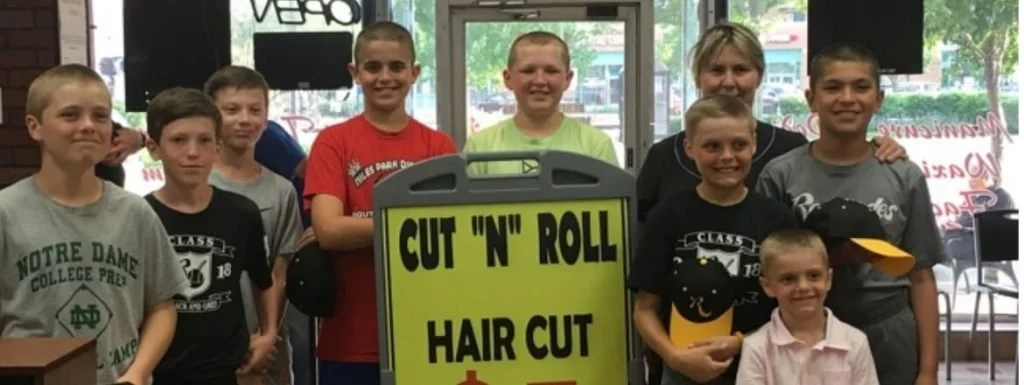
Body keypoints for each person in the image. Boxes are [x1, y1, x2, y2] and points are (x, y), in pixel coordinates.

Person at [756, 43, 946, 385]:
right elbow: (766, 271)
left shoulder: (904, 176)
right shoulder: (780, 175)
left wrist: (928, 370)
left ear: (879, 98)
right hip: (804, 332)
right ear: (811, 98)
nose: (847, 98)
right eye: (832, 87)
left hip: (887, 332)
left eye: (861, 87)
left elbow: (921, 276)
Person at [0, 64, 188, 385]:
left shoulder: (135, 213)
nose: (88, 126)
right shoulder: (6, 212)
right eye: (70, 115)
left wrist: (138, 373)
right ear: (34, 127)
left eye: (100, 117)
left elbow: (162, 305)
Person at [304, 21, 457, 385]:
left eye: (396, 67)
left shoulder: (439, 147)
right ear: (355, 73)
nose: (385, 77)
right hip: (349, 338)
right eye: (373, 67)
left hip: (426, 336)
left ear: (414, 72)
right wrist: (410, 224)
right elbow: (328, 230)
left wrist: (358, 226)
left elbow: (448, 233)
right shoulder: (332, 142)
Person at [636, 22, 906, 223]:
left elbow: (840, 165)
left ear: (760, 76)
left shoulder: (790, 148)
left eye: (741, 70)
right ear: (698, 78)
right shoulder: (664, 157)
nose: (729, 82)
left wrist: (876, 149)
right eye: (716, 70)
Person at [628, 94, 798, 385]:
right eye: (712, 146)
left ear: (754, 144)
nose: (727, 156)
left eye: (739, 145)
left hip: (762, 368)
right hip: (683, 369)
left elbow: (794, 308)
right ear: (689, 148)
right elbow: (644, 310)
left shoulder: (778, 219)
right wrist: (674, 357)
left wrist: (742, 343)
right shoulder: (667, 217)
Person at [143, 87, 279, 385]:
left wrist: (268, 332)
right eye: (179, 140)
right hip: (158, 370)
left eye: (204, 141)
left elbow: (263, 280)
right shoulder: (139, 217)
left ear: (217, 147)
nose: (193, 152)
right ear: (154, 148)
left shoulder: (242, 213)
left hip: (226, 369)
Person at [204, 65, 307, 385]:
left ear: (266, 116)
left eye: (254, 110)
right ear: (212, 114)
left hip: (263, 340)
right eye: (231, 110)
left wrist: (268, 333)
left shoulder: (280, 190)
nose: (244, 119)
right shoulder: (193, 183)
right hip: (201, 342)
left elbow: (279, 271)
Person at [463, 31, 618, 175]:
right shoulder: (479, 148)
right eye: (528, 71)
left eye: (551, 71)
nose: (539, 81)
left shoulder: (596, 146)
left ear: (567, 79)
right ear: (508, 79)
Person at [736, 229, 878, 385]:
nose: (803, 287)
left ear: (829, 279)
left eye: (813, 275)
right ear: (768, 286)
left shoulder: (855, 342)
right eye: (788, 279)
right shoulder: (757, 347)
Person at [253, 119, 314, 385]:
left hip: (294, 240)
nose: (243, 118)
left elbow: (307, 169)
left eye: (253, 108)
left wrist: (318, 219)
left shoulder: (267, 133)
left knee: (296, 339)